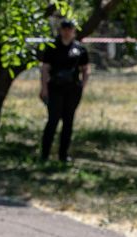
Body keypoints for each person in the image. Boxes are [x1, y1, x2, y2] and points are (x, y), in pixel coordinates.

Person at [38, 19, 90, 163]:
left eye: (70, 28)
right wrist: (44, 88)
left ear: (74, 30)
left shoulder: (80, 49)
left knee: (68, 122)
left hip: (72, 90)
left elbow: (85, 69)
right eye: (64, 28)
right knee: (53, 121)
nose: (67, 31)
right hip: (55, 88)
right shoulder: (52, 47)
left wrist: (82, 86)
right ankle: (45, 155)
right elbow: (45, 69)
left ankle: (63, 155)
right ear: (60, 30)